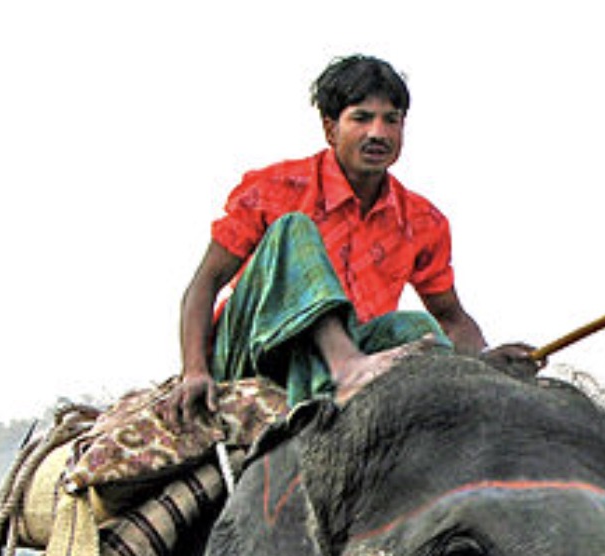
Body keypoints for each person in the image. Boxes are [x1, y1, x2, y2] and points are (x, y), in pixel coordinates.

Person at [169, 55, 537, 426]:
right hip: (255, 352)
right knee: (293, 229)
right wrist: (194, 370)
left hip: (345, 358)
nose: (378, 133)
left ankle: (349, 380)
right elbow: (205, 284)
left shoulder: (423, 221)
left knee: (417, 329)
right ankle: (343, 365)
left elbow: (450, 317)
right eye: (361, 118)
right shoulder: (275, 189)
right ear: (331, 129)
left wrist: (487, 362)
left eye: (391, 120)